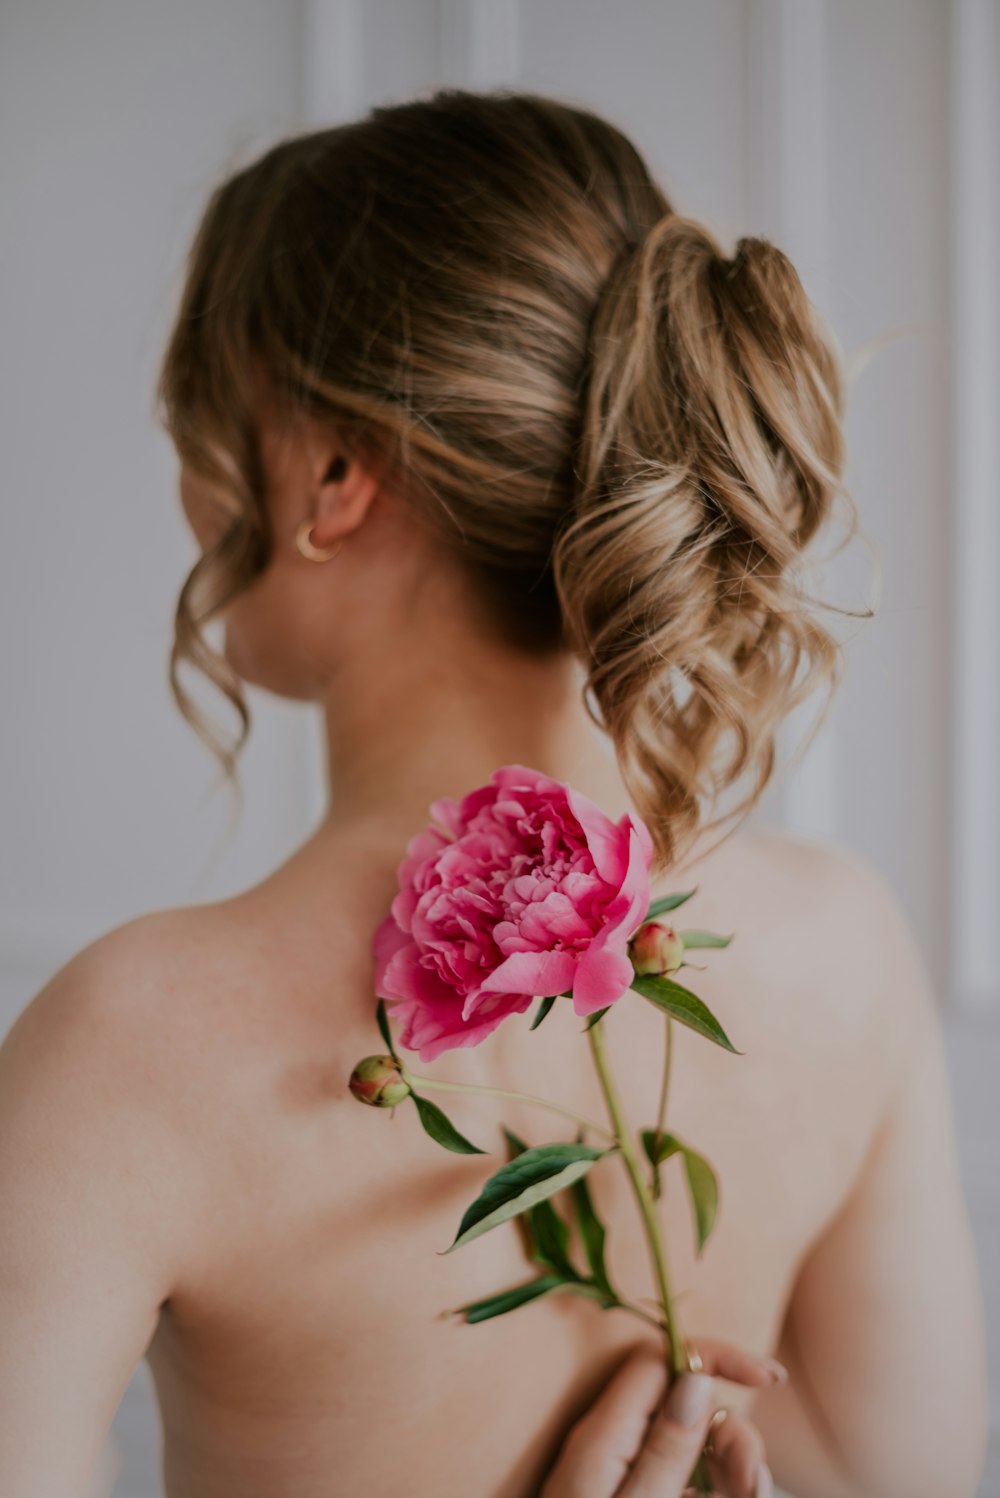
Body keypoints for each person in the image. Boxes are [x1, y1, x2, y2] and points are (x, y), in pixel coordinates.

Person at [0, 88, 988, 1498]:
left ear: (334, 470)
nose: (182, 478)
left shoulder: (126, 1052)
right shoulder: (850, 948)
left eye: (206, 412)